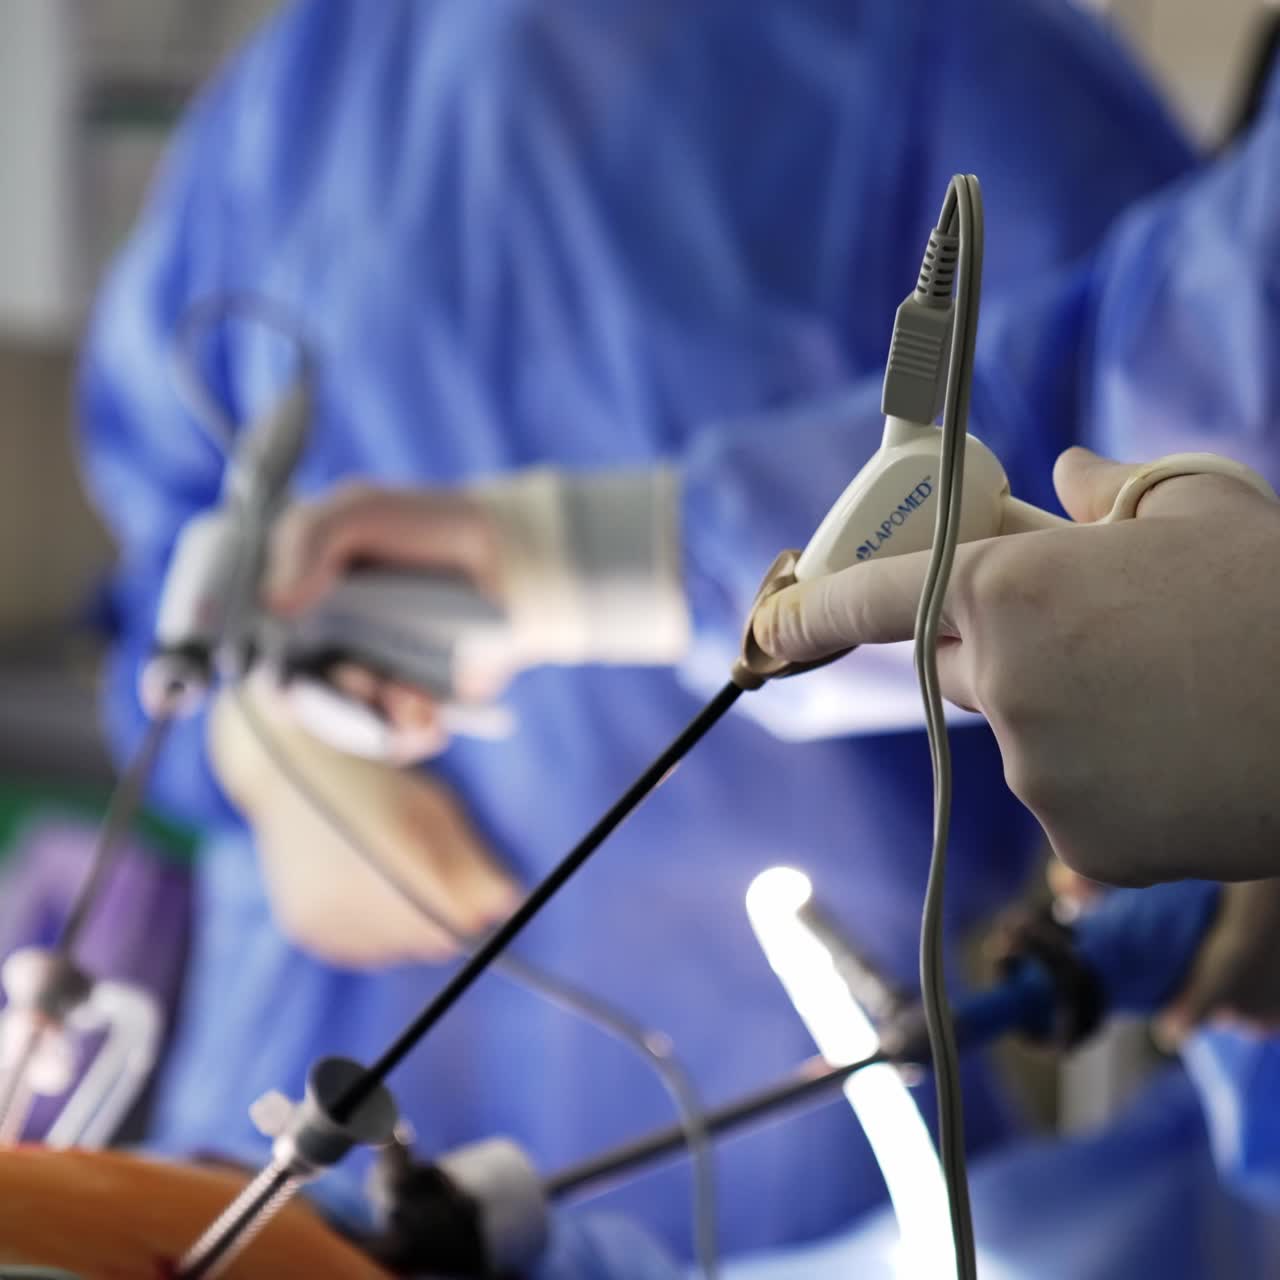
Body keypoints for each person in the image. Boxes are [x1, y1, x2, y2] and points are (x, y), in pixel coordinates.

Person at [78, 0, 1200, 1260]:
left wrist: (615, 556)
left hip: (772, 1134)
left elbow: (1145, 541)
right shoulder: (300, 85)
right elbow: (158, 591)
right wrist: (251, 755)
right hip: (282, 1084)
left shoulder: (961, 64)